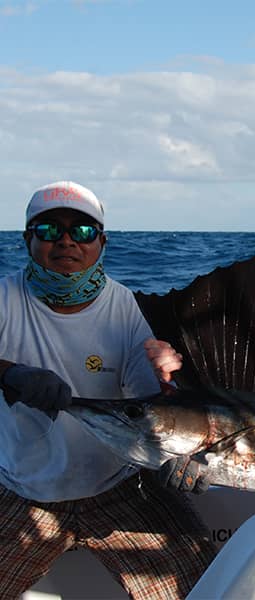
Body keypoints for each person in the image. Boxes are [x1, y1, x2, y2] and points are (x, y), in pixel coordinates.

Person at [0, 181, 216, 598]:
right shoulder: (4, 298)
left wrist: (182, 445)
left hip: (121, 489)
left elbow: (147, 406)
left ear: (102, 242)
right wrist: (8, 373)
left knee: (206, 590)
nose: (66, 241)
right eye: (48, 231)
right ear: (27, 240)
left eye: (81, 231)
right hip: (20, 489)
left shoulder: (121, 305)